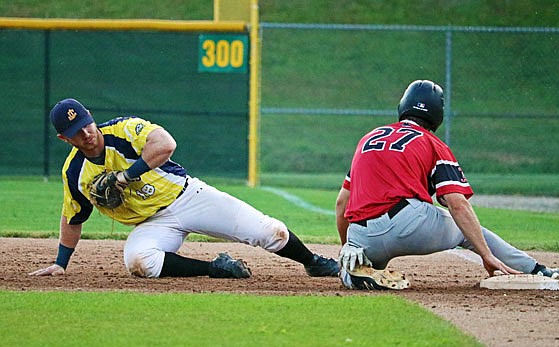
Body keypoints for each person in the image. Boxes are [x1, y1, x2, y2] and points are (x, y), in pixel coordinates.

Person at [30, 98, 339, 279]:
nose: (85, 133)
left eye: (86, 123)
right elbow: (73, 217)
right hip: (152, 223)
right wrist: (60, 262)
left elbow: (165, 144)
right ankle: (218, 268)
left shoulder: (123, 130)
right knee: (138, 261)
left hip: (188, 197)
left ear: (91, 118)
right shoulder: (75, 173)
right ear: (64, 139)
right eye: (75, 132)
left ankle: (313, 262)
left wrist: (125, 177)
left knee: (271, 233)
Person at [335, 80, 559, 290]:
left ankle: (352, 272)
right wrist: (485, 254)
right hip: (409, 224)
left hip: (361, 233)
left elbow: (341, 204)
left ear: (403, 106)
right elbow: (458, 205)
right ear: (437, 113)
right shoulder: (433, 143)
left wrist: (348, 246)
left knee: (355, 266)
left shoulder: (368, 139)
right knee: (469, 231)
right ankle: (535, 269)